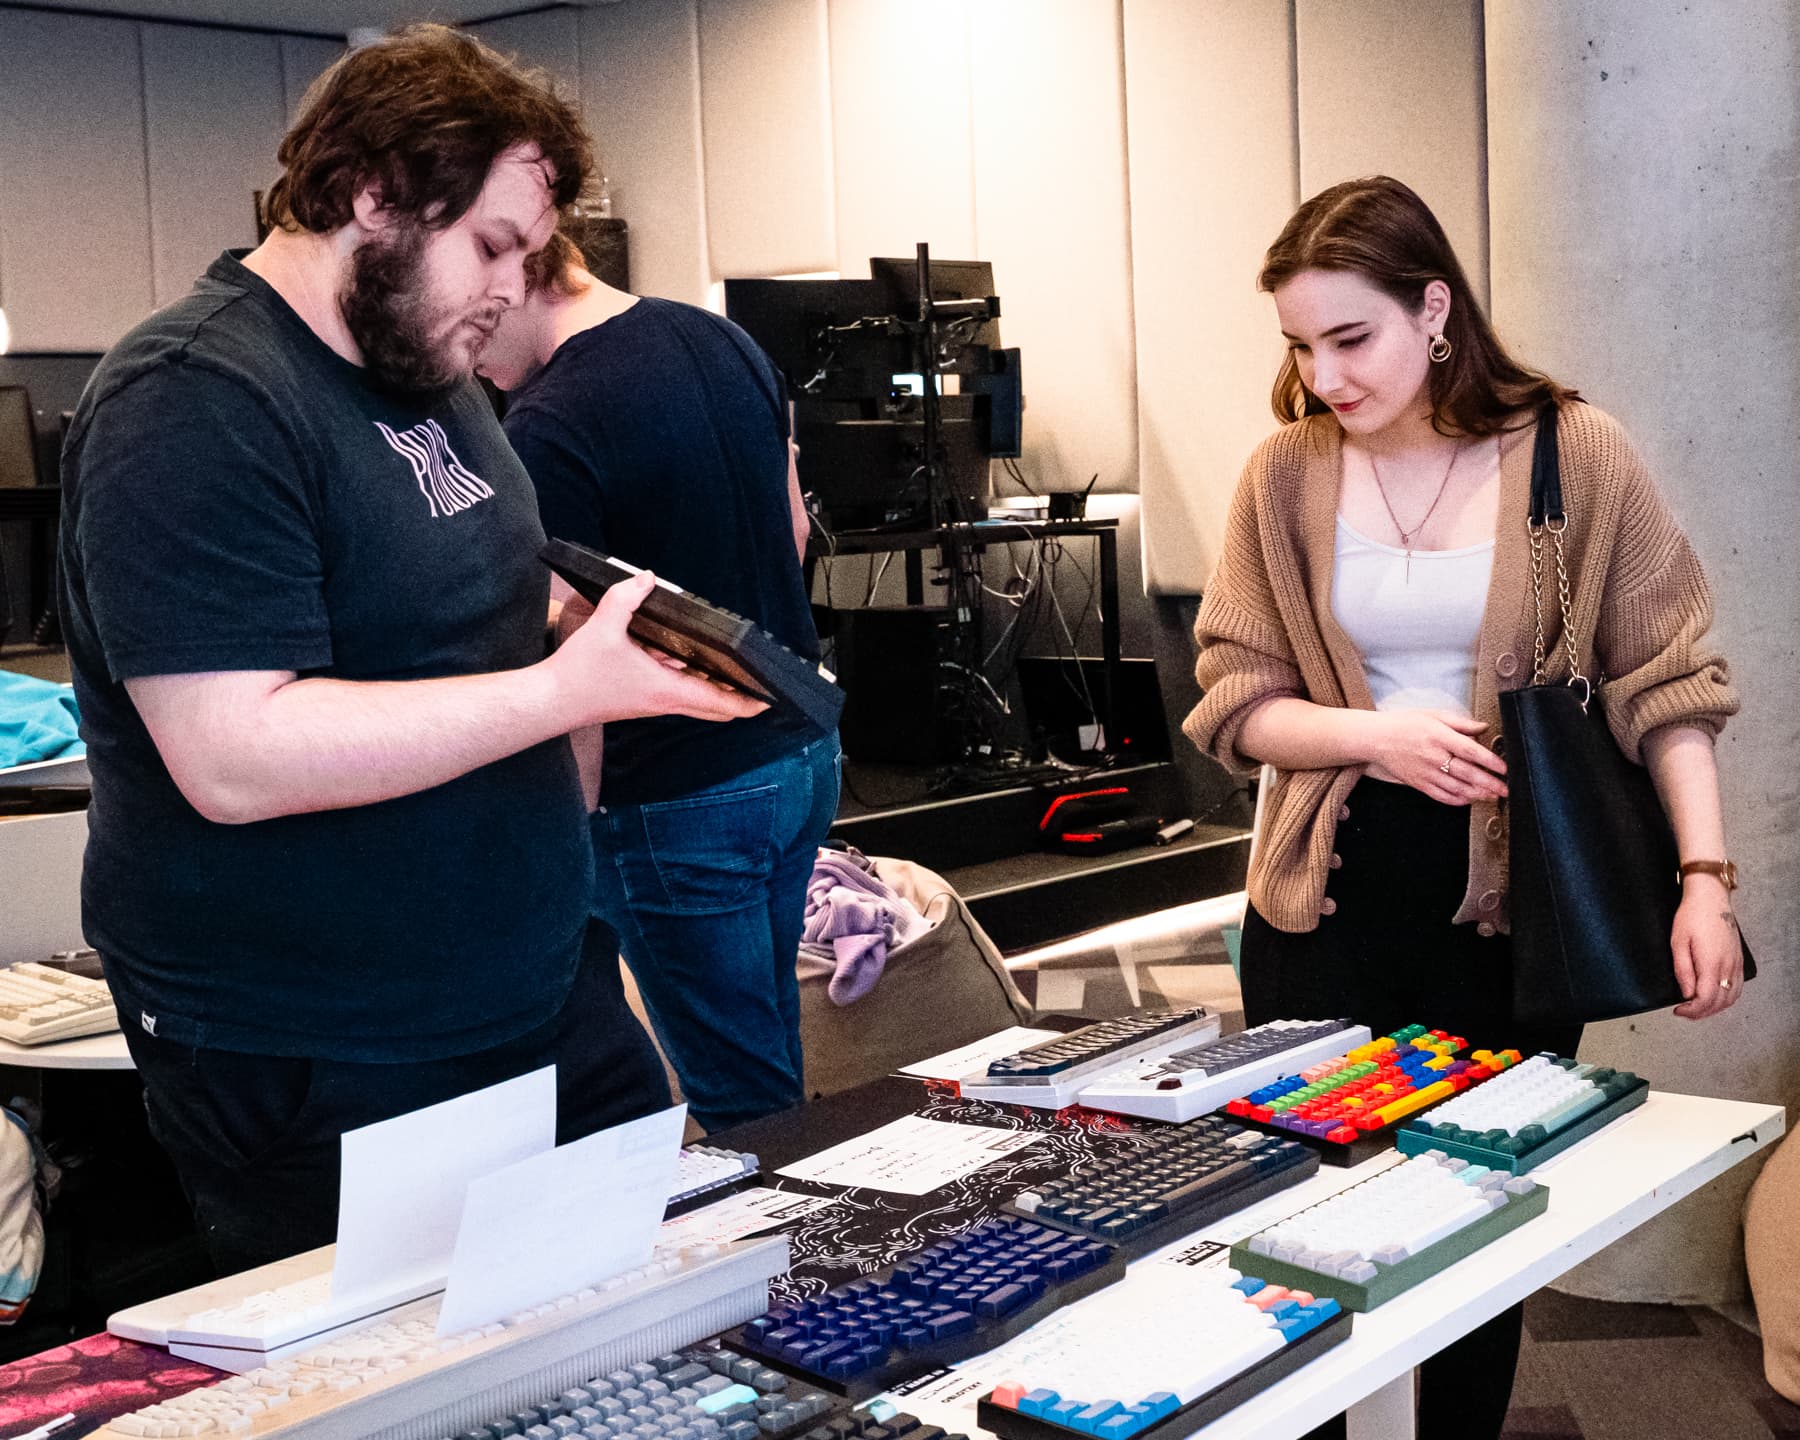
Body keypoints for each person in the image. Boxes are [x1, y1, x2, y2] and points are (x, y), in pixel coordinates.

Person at [56, 26, 764, 1275]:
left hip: (535, 992)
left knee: (649, 1323)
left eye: (531, 255)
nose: (512, 288)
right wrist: (559, 688)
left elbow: (463, 629)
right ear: (372, 193)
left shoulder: (433, 379)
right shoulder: (193, 397)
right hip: (329, 1043)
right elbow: (235, 752)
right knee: (407, 1394)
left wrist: (584, 641)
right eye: (491, 245)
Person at [1183, 176, 1741, 1440]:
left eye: (1351, 337)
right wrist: (1372, 737)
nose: (1325, 375)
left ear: (1434, 308)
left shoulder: (1573, 453)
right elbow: (1237, 702)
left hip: (1512, 904)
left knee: (1477, 1222)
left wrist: (1705, 877)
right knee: (1309, 1220)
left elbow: (1673, 685)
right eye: (1300, 345)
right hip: (1325, 892)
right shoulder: (1285, 476)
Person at [476, 229, 840, 1133]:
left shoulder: (549, 422)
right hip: (799, 751)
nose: (473, 360)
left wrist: (568, 837)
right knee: (768, 1047)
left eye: (478, 332)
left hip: (678, 794)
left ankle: (793, 1264)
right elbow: (793, 533)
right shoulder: (719, 336)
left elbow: (575, 657)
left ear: (516, 274)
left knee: (739, 1097)